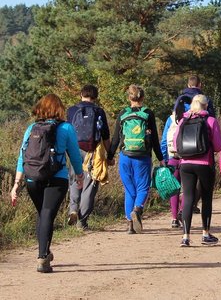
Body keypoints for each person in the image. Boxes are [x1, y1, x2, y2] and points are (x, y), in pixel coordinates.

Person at [11, 94, 85, 273]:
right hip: (56, 178)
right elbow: (74, 155)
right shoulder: (66, 128)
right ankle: (42, 257)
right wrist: (80, 176)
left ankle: (45, 251)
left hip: (32, 179)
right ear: (59, 108)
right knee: (47, 214)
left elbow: (23, 156)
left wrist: (16, 183)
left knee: (43, 214)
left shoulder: (31, 128)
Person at [109, 85, 165, 235]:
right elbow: (154, 140)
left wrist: (109, 157)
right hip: (142, 157)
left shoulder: (123, 114)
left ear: (129, 98)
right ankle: (138, 208)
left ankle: (129, 225)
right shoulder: (148, 114)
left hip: (125, 156)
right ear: (143, 98)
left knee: (129, 190)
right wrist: (161, 158)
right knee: (142, 187)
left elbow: (115, 139)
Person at [172, 94, 221, 247]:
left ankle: (186, 237)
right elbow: (219, 145)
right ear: (206, 106)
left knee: (188, 198)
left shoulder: (183, 121)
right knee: (206, 198)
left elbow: (176, 145)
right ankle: (205, 234)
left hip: (185, 164)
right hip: (204, 163)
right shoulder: (210, 121)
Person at [66, 84, 112, 231]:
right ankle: (82, 221)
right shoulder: (99, 111)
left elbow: (65, 132)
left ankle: (73, 208)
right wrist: (109, 155)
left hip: (74, 150)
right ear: (95, 97)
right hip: (92, 152)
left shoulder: (72, 110)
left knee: (74, 179)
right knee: (89, 185)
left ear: (81, 94)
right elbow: (105, 136)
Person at [160, 110, 184, 229]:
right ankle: (182, 212)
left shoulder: (170, 119)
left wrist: (163, 158)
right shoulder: (192, 117)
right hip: (188, 157)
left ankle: (174, 218)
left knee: (173, 188)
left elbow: (164, 140)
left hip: (172, 157)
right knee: (188, 189)